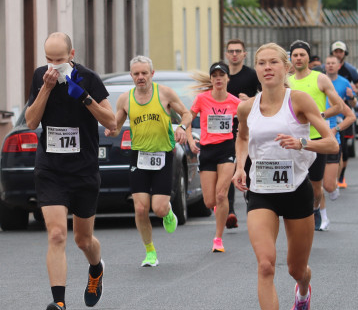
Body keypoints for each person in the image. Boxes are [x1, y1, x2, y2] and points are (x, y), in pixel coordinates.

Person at [232, 43, 339, 310]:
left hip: (296, 190)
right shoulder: (247, 107)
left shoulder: (299, 101)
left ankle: (303, 289)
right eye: (261, 63)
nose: (267, 68)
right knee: (265, 264)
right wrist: (239, 166)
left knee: (295, 267)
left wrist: (302, 142)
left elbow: (331, 142)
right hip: (261, 191)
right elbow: (241, 137)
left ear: (285, 68)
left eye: (274, 63)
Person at [25, 32, 116, 310]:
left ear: (72, 54)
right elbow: (31, 121)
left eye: (60, 61)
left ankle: (96, 268)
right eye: (49, 60)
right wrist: (46, 90)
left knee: (82, 239)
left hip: (83, 170)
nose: (54, 66)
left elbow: (111, 121)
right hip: (51, 168)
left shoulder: (89, 78)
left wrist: (85, 97)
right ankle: (60, 306)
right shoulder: (41, 77)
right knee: (56, 235)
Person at [107, 56, 192, 267]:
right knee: (140, 209)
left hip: (163, 154)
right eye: (136, 74)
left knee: (159, 208)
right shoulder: (125, 99)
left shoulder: (165, 93)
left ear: (152, 74)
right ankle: (150, 251)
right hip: (139, 156)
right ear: (131, 76)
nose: (140, 77)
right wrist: (111, 130)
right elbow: (116, 126)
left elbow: (187, 113)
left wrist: (181, 128)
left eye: (144, 73)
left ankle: (168, 211)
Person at [286, 40, 347, 231]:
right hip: (294, 140)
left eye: (301, 55)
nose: (298, 58)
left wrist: (320, 115)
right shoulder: (286, 81)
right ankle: (299, 216)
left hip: (316, 139)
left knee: (315, 185)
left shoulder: (320, 79)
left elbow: (338, 106)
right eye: (295, 55)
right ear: (290, 58)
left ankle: (315, 209)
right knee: (293, 182)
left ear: (308, 57)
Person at [189, 62, 241, 252]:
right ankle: (221, 209)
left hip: (227, 149)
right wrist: (187, 137)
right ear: (211, 79)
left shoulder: (235, 102)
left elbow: (249, 123)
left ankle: (218, 239)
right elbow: (188, 117)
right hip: (208, 150)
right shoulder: (202, 99)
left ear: (228, 78)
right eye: (215, 75)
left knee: (221, 194)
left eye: (222, 75)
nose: (218, 78)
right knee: (209, 201)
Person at [224, 38, 260, 230]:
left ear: (245, 54)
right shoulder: (220, 75)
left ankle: (251, 203)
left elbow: (266, 97)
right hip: (224, 130)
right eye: (231, 51)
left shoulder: (252, 75)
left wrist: (250, 99)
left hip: (247, 129)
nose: (235, 54)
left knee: (246, 167)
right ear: (226, 54)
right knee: (229, 168)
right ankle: (230, 210)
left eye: (238, 51)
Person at [322, 54, 357, 196]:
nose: (330, 65)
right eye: (328, 63)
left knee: (340, 152)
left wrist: (351, 96)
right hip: (319, 123)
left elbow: (353, 104)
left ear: (339, 66)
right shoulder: (320, 81)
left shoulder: (344, 82)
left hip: (338, 122)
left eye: (333, 63)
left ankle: (336, 178)